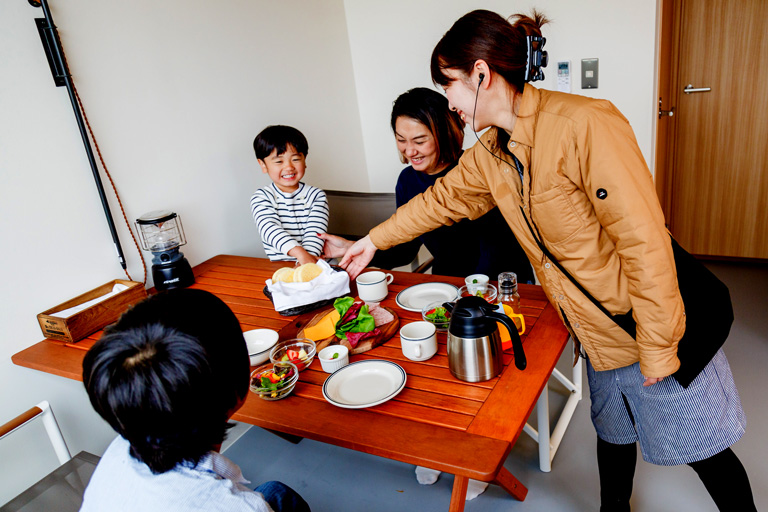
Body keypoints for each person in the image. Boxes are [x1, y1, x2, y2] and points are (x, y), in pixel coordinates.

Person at [339, 9, 755, 512]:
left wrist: (660, 346)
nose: (447, 99)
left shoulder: (585, 124)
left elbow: (645, 241)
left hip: (648, 322)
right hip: (594, 331)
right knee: (614, 433)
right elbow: (441, 200)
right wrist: (371, 240)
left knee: (705, 449)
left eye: (448, 83)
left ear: (480, 74)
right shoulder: (491, 152)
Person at [80, 288, 311, 512]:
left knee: (276, 493)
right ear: (237, 387)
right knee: (278, 494)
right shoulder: (246, 508)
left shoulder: (119, 450)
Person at [320, 87, 533, 283]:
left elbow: (497, 249)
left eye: (420, 141)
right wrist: (355, 247)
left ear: (444, 134)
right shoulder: (407, 180)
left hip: (500, 283)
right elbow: (405, 249)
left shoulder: (476, 170)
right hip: (447, 283)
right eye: (401, 139)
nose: (410, 151)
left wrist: (472, 297)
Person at [251, 125, 328, 265]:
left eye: (296, 159)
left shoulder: (316, 195)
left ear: (305, 160)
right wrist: (299, 253)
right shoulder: (262, 197)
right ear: (263, 165)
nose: (289, 167)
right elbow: (269, 229)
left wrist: (306, 260)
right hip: (281, 265)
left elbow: (315, 233)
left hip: (315, 261)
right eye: (279, 161)